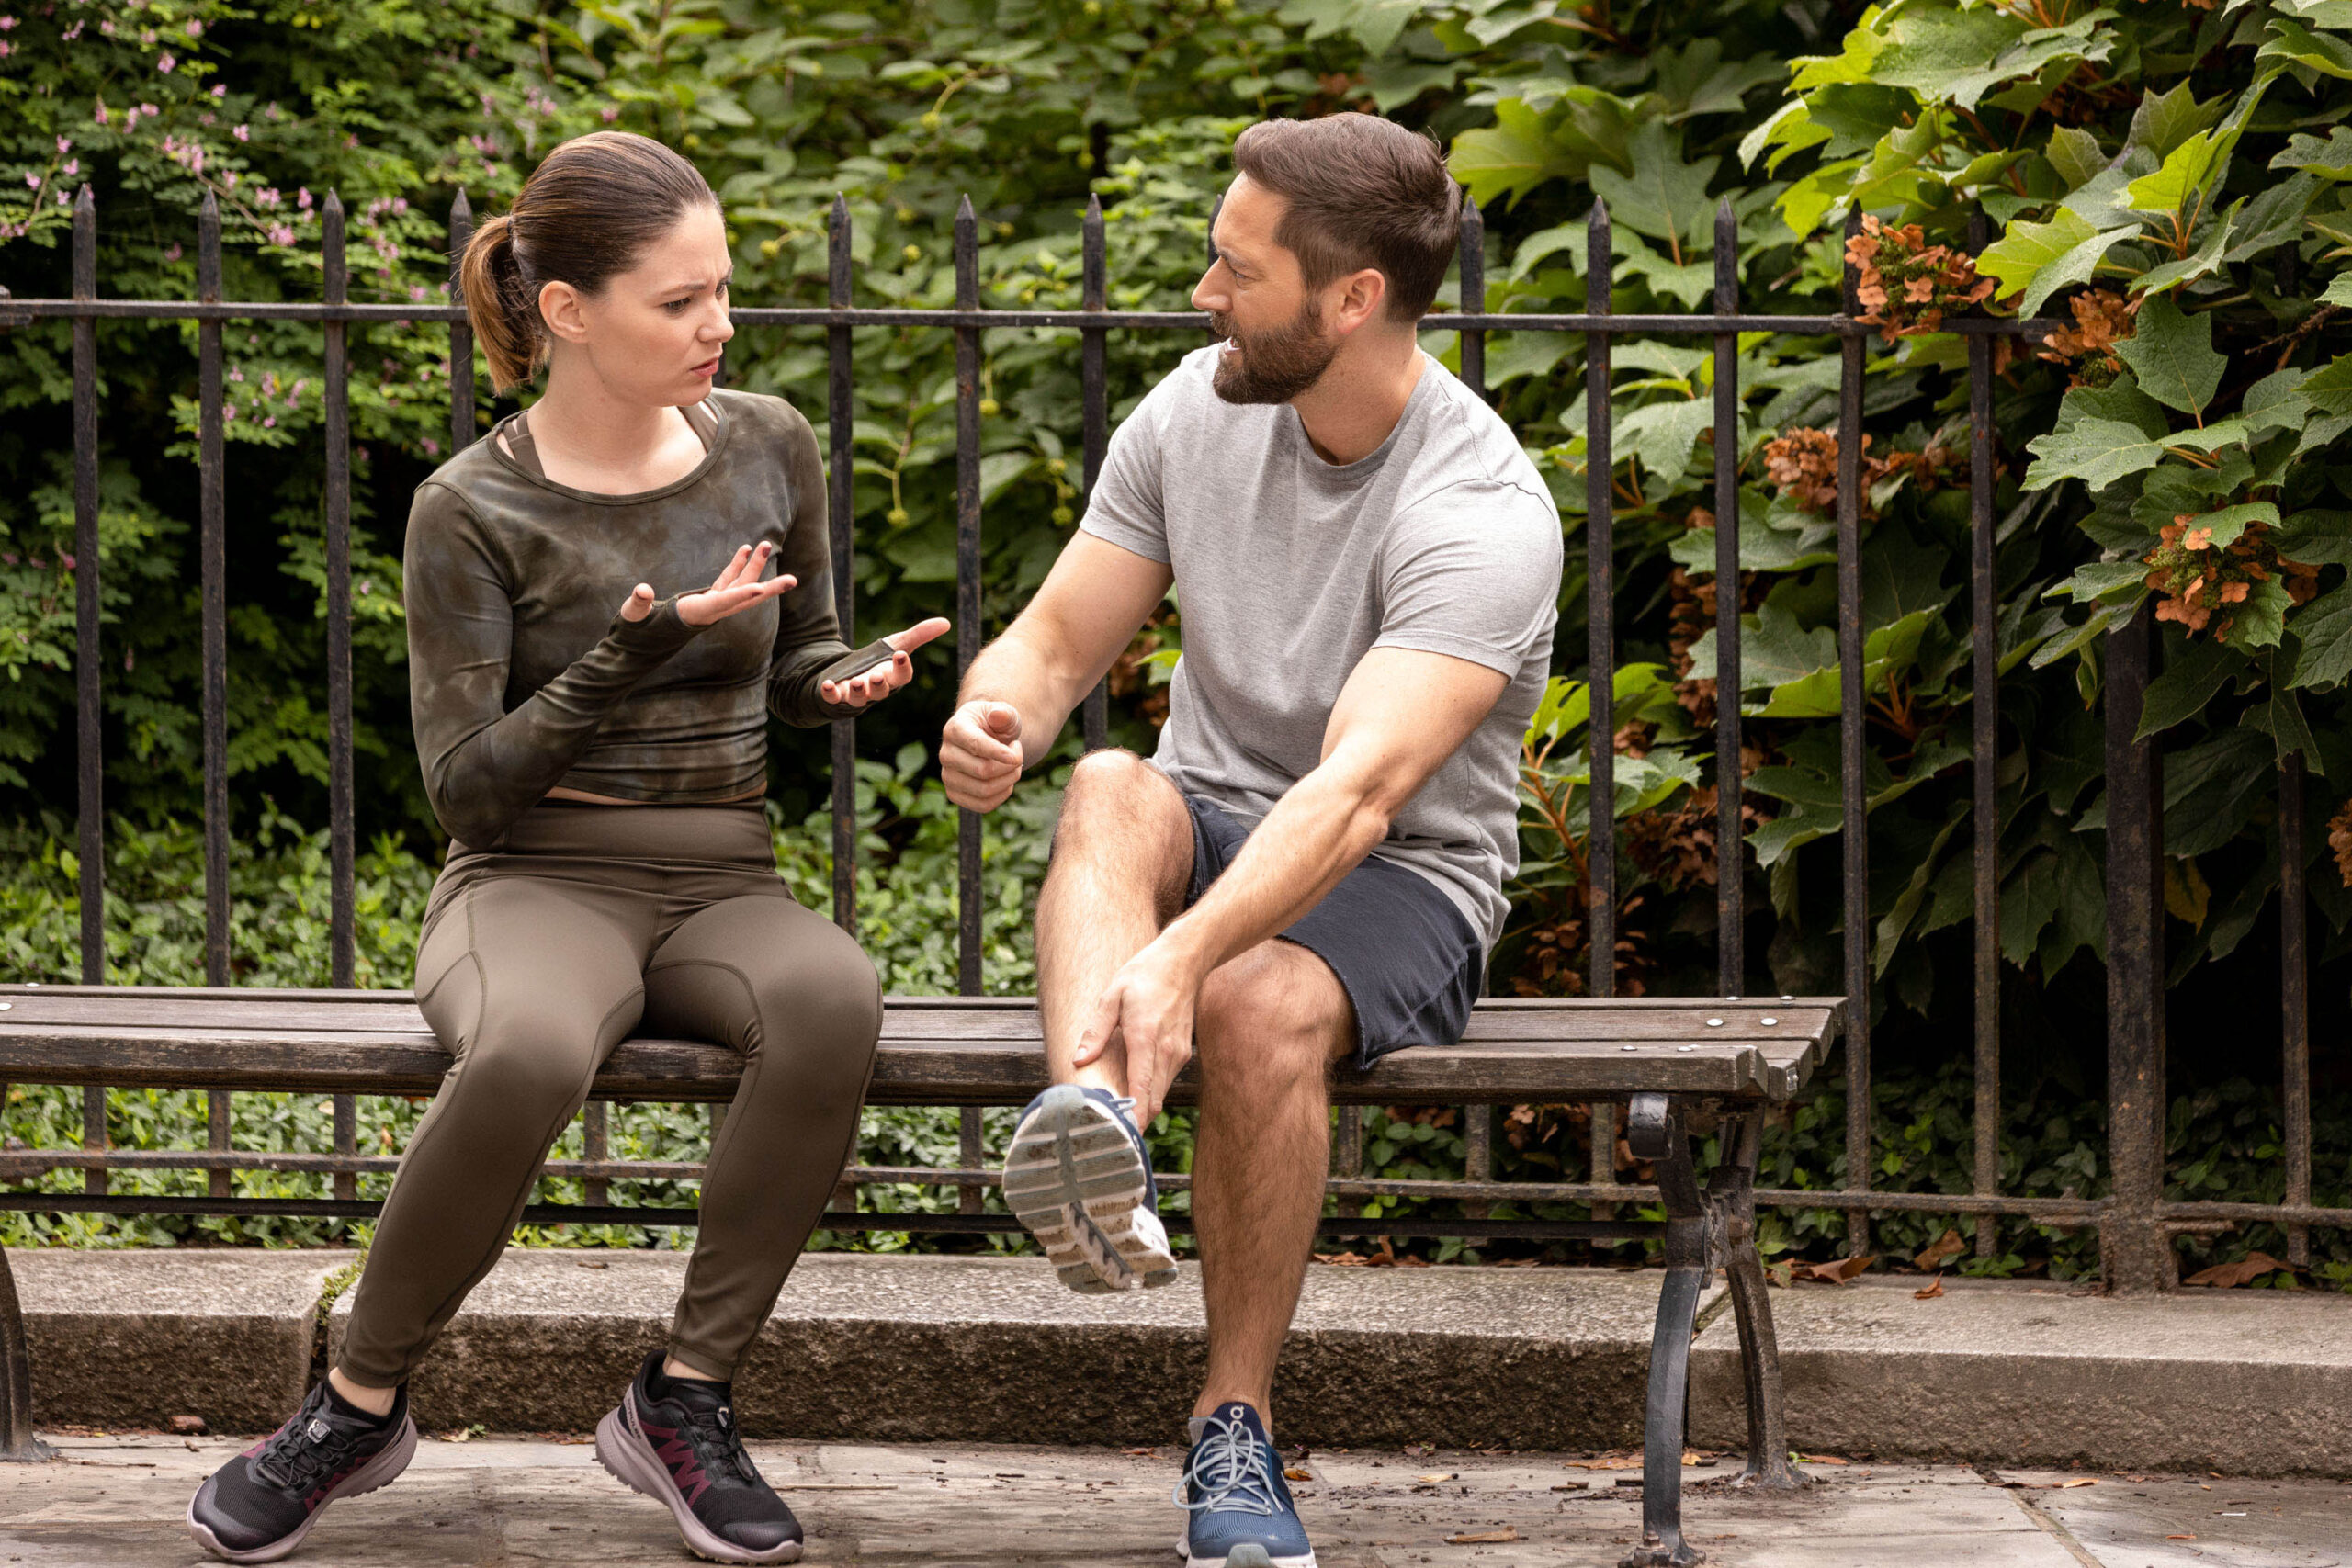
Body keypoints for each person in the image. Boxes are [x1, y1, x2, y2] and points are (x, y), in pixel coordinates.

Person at [187, 130, 944, 1568]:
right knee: (530, 1048)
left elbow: (801, 644)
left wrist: (834, 682)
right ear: (568, 312)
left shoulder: (773, 442)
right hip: (535, 875)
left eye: (724, 291)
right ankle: (355, 1401)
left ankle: (684, 1399)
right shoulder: (471, 507)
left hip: (723, 874)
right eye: (680, 301)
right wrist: (630, 649)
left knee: (834, 997)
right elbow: (468, 790)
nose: (719, 325)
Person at [941, 112, 1564, 1568]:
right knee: (1104, 782)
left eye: (1235, 268)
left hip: (1404, 865)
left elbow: (1356, 795)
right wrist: (997, 719)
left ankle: (1234, 1421)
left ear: (1351, 300)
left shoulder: (1480, 508)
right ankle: (1095, 1130)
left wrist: (1180, 958)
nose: (1204, 293)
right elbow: (1054, 637)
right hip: (1213, 809)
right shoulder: (1191, 412)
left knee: (1257, 999)